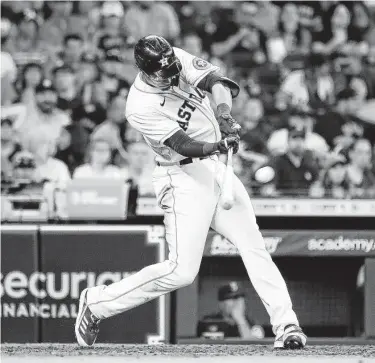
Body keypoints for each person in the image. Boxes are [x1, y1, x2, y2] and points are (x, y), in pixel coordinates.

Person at [74, 35, 307, 350]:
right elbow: (181, 145)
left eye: (172, 66)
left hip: (215, 167)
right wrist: (217, 144)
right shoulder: (139, 105)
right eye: (164, 72)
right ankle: (97, 303)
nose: (171, 74)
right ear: (145, 70)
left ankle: (286, 326)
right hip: (180, 175)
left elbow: (216, 81)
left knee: (254, 246)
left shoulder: (172, 57)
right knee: (182, 271)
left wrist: (224, 115)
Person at [197, 282, 265, 339]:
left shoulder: (253, 325)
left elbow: (253, 349)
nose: (237, 302)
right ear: (221, 303)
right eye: (232, 298)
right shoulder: (208, 321)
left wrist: (240, 319)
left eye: (240, 298)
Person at [271, 128, 320, 196]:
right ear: (288, 142)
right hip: (283, 201)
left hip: (305, 202)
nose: (298, 143)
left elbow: (316, 183)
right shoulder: (278, 161)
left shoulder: (310, 162)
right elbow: (271, 187)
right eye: (295, 139)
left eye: (301, 140)